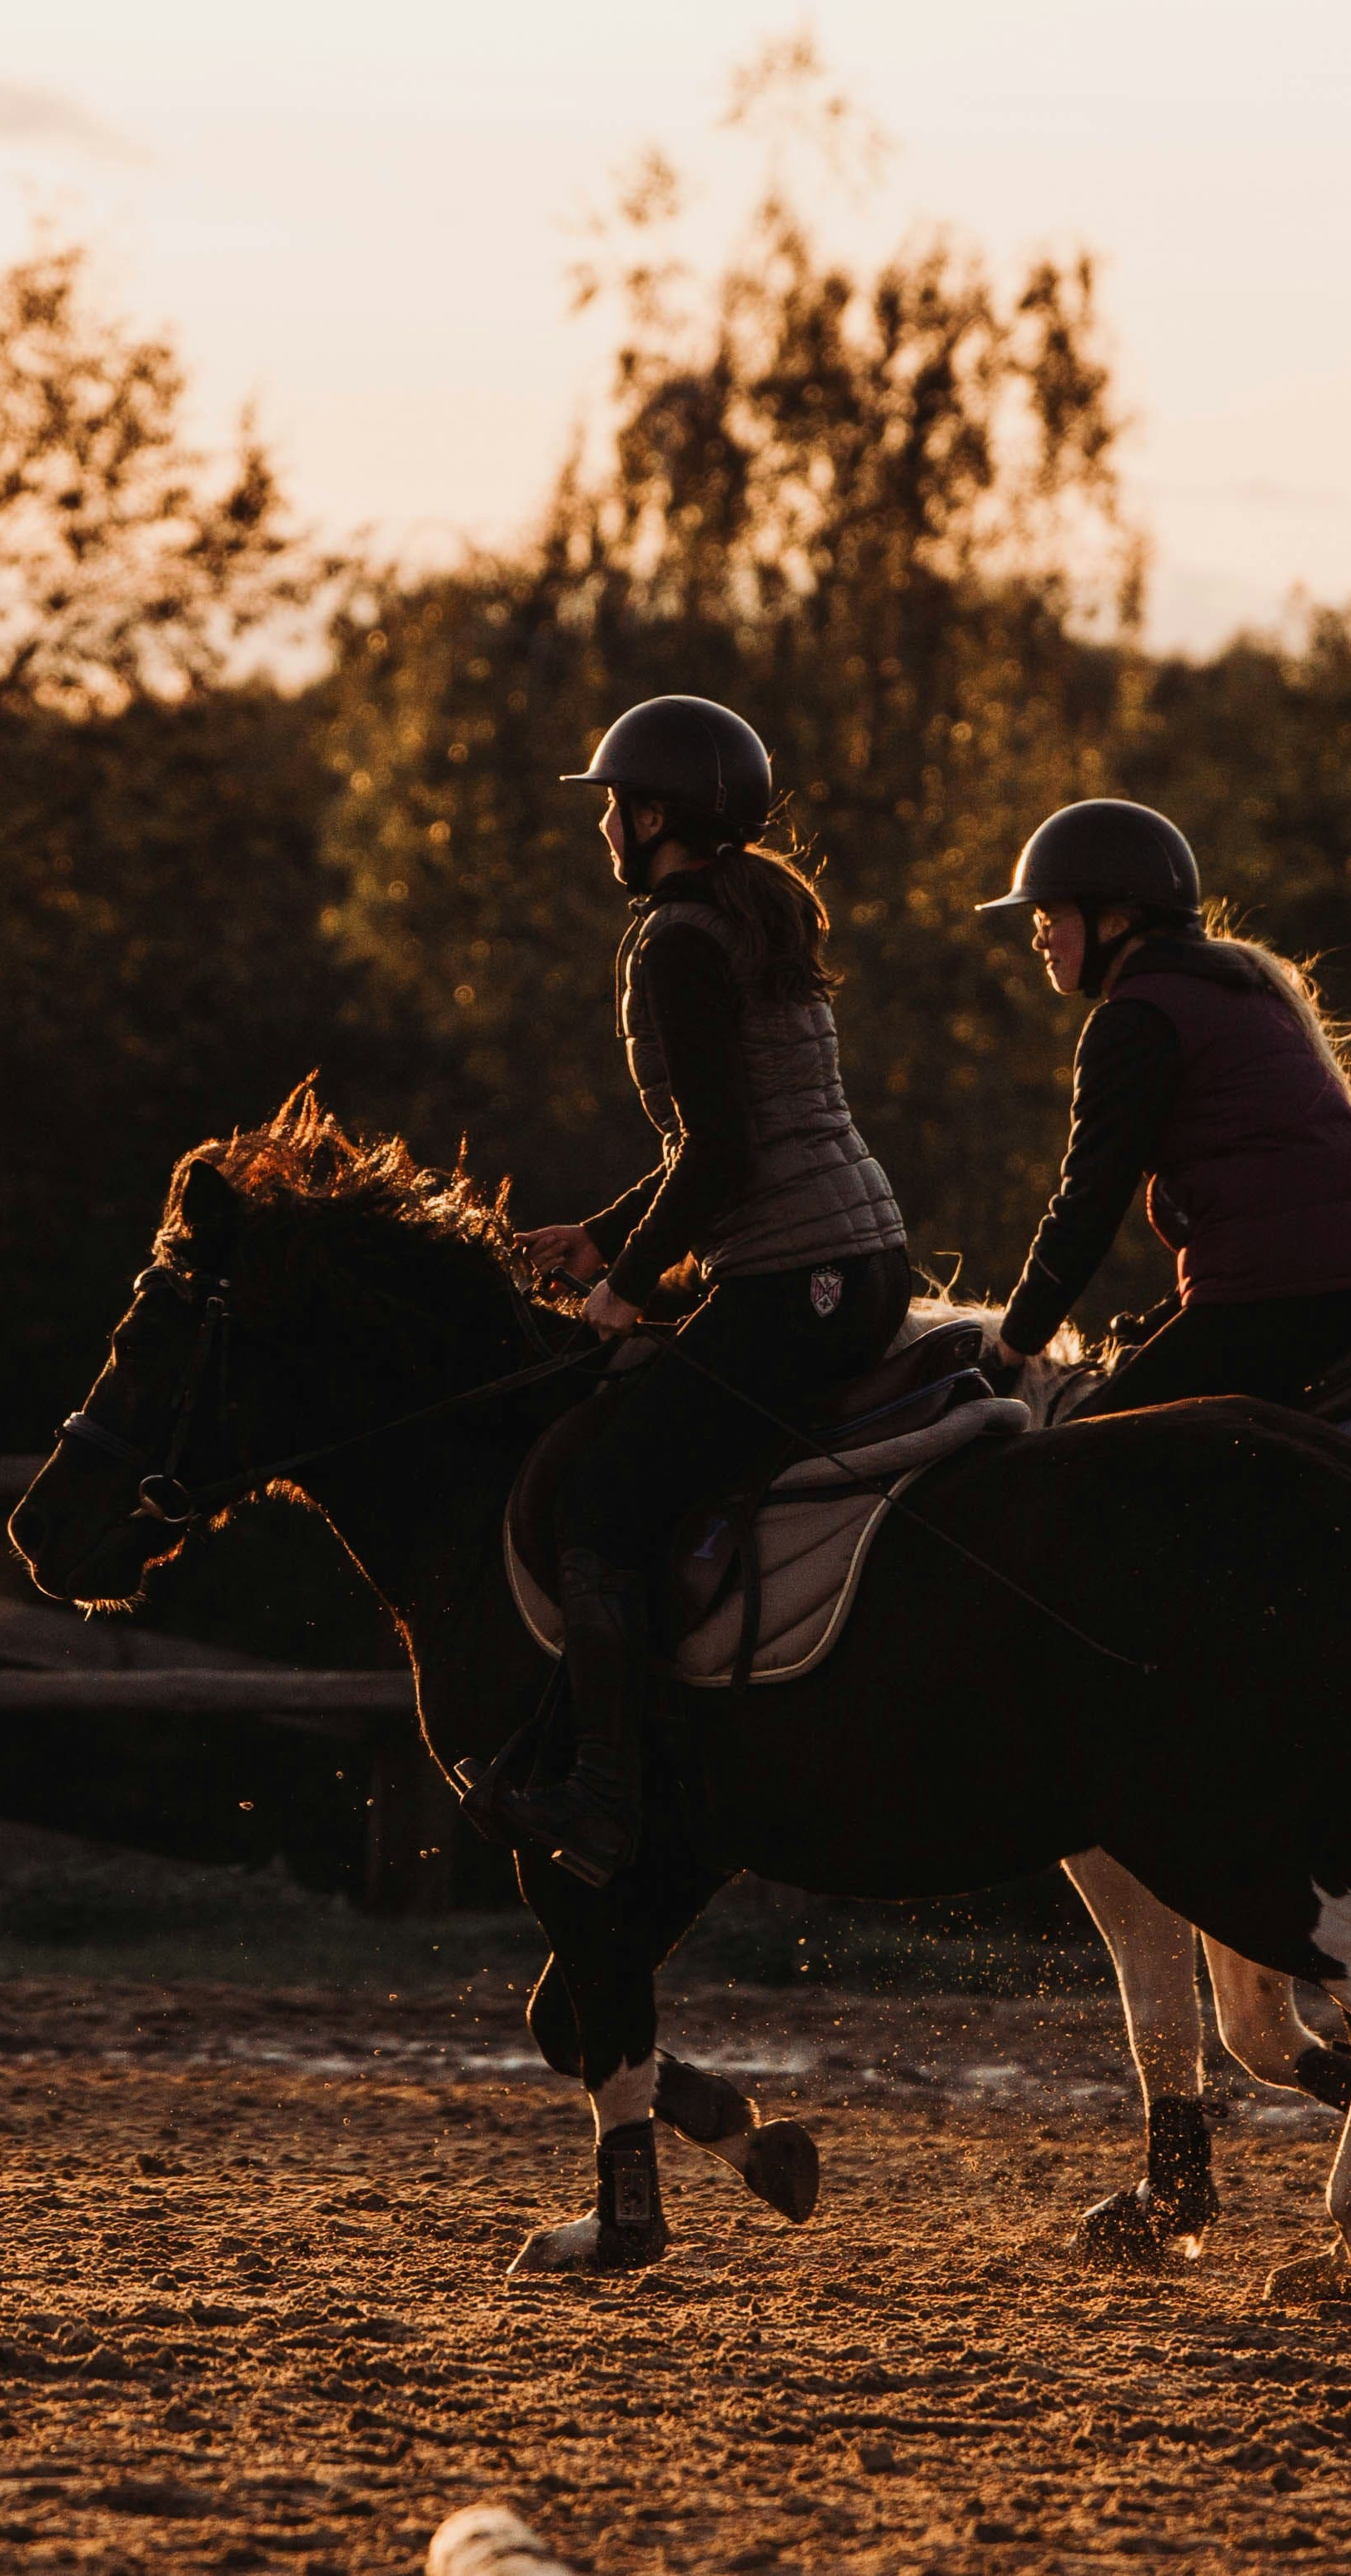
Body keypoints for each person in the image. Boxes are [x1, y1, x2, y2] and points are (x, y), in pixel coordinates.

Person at [483, 695, 911, 1887]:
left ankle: (607, 1803)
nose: (605, 827)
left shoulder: (679, 936)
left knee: (605, 1504)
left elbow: (722, 1154)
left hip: (795, 1280)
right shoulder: (748, 912)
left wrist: (624, 1287)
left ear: (656, 815)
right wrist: (604, 1235)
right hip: (858, 1262)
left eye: (614, 805)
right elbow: (719, 1139)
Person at [975, 800, 1351, 1417]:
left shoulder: (1135, 1020)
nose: (1038, 936)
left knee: (1075, 1460)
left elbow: (1087, 1208)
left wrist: (1011, 1347)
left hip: (1279, 1295)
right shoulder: (1241, 992)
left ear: (1114, 922)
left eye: (1050, 915)